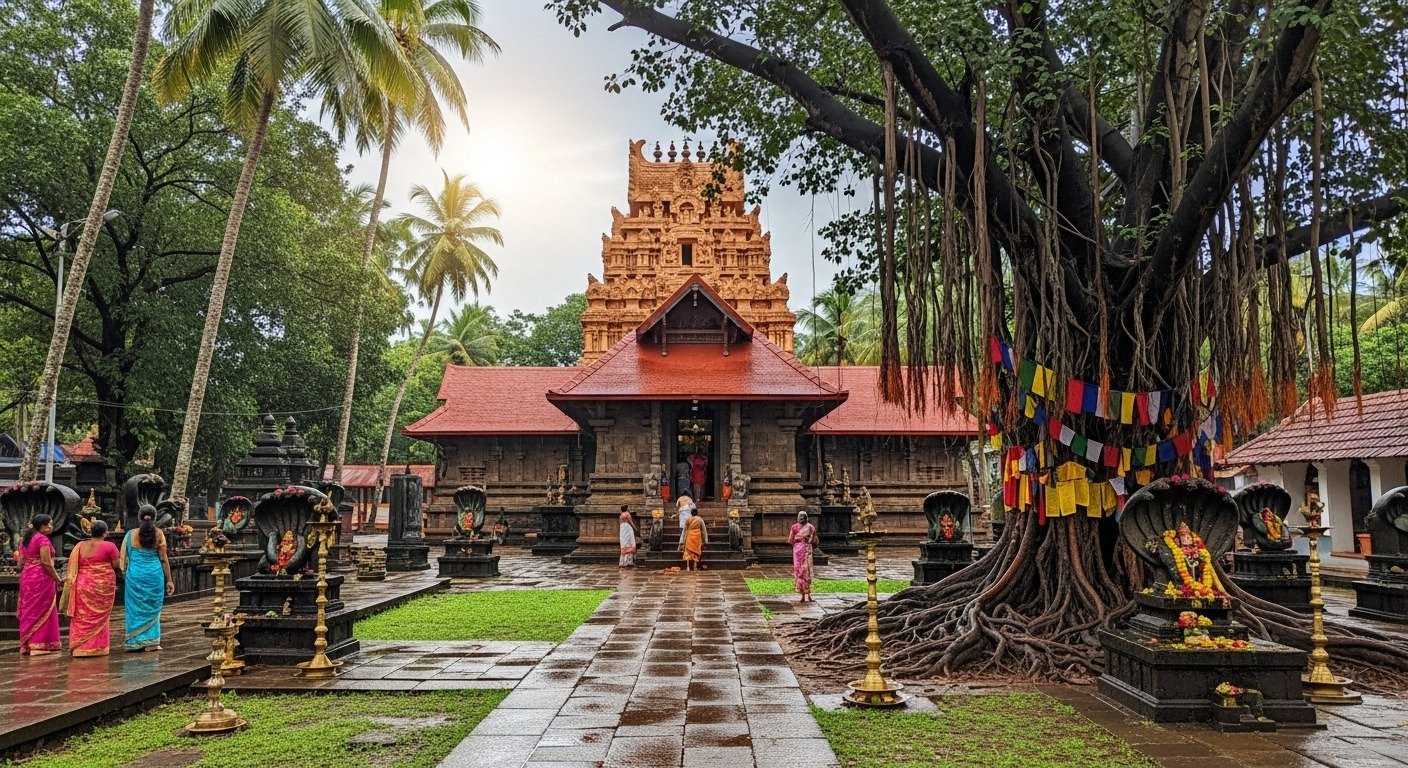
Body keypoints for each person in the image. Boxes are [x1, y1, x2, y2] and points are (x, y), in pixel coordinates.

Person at [63, 519, 120, 657]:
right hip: (102, 585)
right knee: (99, 616)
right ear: (105, 533)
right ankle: (97, 647)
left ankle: (79, 647)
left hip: (82, 584)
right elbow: (116, 564)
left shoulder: (79, 546)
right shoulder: (109, 546)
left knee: (82, 615)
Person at [121, 507, 174, 652]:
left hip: (135, 575)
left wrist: (127, 575)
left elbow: (123, 560)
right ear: (154, 518)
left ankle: (134, 641)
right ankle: (152, 642)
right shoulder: (159, 534)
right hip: (154, 575)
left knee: (134, 608)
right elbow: (163, 559)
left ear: (139, 518)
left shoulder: (130, 535)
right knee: (153, 607)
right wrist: (169, 580)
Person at [18, 514, 63, 656]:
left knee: (29, 609)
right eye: (49, 524)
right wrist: (57, 578)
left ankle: (27, 644)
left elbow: (20, 562)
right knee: (42, 609)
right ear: (42, 527)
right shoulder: (42, 539)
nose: (51, 526)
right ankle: (39, 644)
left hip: (27, 577)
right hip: (41, 578)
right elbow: (46, 562)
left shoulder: (25, 540)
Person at [788, 511, 818, 603]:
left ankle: (806, 595)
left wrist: (799, 543)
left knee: (805, 572)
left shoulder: (809, 527)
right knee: (801, 572)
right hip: (802, 550)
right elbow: (815, 541)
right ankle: (804, 595)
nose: (802, 518)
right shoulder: (808, 527)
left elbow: (790, 540)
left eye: (802, 516)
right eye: (800, 516)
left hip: (802, 550)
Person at [681, 507, 707, 571]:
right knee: (695, 551)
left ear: (691, 513)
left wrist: (682, 540)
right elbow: (703, 530)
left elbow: (685, 530)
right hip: (697, 536)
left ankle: (688, 567)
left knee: (688, 551)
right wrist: (705, 540)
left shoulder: (688, 519)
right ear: (697, 513)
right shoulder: (700, 519)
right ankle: (695, 566)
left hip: (689, 536)